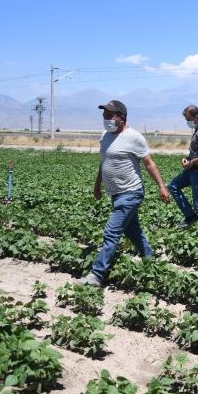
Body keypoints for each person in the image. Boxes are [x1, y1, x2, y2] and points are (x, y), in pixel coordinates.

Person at [78, 100, 170, 286]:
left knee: (111, 232)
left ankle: (96, 275)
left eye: (109, 115)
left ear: (121, 117)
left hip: (131, 192)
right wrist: (98, 185)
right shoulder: (105, 135)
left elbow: (149, 163)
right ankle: (149, 259)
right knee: (132, 230)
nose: (105, 119)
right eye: (104, 115)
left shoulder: (134, 137)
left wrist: (161, 185)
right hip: (115, 193)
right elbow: (103, 162)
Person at [168, 105, 198, 232]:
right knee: (173, 186)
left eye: (188, 120)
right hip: (193, 169)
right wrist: (187, 159)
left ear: (197, 117)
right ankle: (190, 216)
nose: (187, 123)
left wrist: (191, 162)